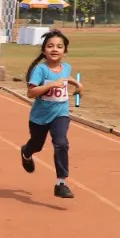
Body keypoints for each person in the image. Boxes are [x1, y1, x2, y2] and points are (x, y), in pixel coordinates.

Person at [19, 30, 83, 200]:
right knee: (36, 145)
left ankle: (61, 183)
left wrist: (77, 84)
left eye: (59, 46)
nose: (55, 49)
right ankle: (26, 153)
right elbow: (31, 93)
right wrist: (51, 85)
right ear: (44, 50)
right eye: (50, 46)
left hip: (60, 113)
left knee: (61, 143)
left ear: (65, 51)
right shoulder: (40, 70)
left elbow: (65, 76)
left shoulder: (67, 67)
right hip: (39, 118)